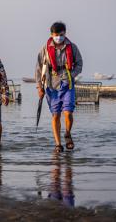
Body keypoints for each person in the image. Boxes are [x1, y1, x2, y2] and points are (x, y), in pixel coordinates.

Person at [35, 22, 83, 152]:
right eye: (56, 35)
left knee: (68, 112)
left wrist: (71, 75)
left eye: (61, 35)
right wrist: (39, 87)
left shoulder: (72, 47)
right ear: (52, 35)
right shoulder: (45, 49)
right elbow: (39, 69)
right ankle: (58, 144)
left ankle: (67, 133)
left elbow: (79, 64)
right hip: (51, 85)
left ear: (65, 33)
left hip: (68, 84)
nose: (59, 37)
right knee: (55, 115)